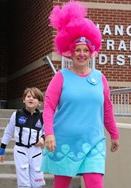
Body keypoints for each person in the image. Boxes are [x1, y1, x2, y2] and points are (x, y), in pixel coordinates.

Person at [41, 1, 120, 188]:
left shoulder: (100, 78)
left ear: (92, 52)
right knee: (61, 185)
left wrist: (114, 133)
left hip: (93, 142)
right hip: (65, 141)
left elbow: (107, 108)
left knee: (95, 184)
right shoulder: (61, 77)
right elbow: (49, 106)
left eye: (86, 50)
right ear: (70, 52)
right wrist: (49, 133)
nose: (82, 54)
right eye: (78, 50)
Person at [0, 87, 46, 188]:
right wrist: (2, 149)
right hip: (21, 150)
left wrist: (43, 138)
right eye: (28, 96)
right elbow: (8, 132)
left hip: (36, 150)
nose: (31, 99)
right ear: (24, 100)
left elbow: (47, 131)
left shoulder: (42, 117)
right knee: (23, 179)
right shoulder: (17, 114)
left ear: (40, 103)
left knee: (38, 178)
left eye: (34, 97)